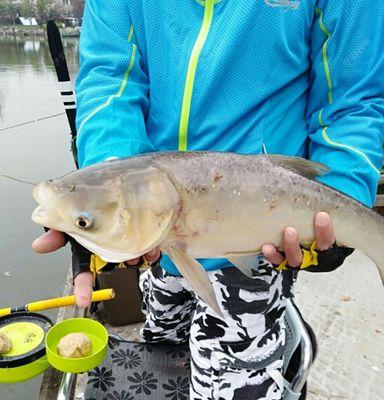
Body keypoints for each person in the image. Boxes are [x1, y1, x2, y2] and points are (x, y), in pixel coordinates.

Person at [33, 1, 384, 399]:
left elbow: (354, 99)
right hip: (157, 242)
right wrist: (99, 192)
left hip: (259, 241)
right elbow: (110, 80)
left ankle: (278, 341)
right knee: (166, 348)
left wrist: (345, 194)